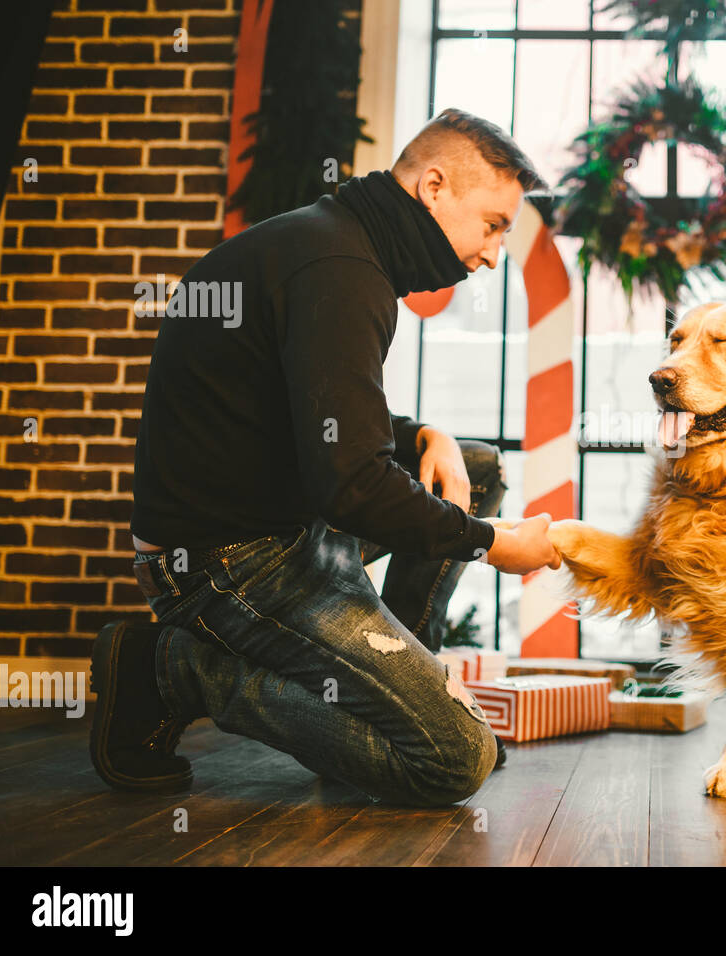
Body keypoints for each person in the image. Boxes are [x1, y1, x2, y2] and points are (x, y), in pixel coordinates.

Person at [90, 108, 560, 807]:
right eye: (494, 224)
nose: (495, 253)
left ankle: (400, 682)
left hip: (283, 523)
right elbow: (352, 485)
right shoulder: (342, 269)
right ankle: (175, 669)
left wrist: (423, 430)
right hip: (226, 562)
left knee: (476, 465)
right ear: (434, 186)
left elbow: (316, 418)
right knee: (454, 761)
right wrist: (493, 545)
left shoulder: (333, 243)